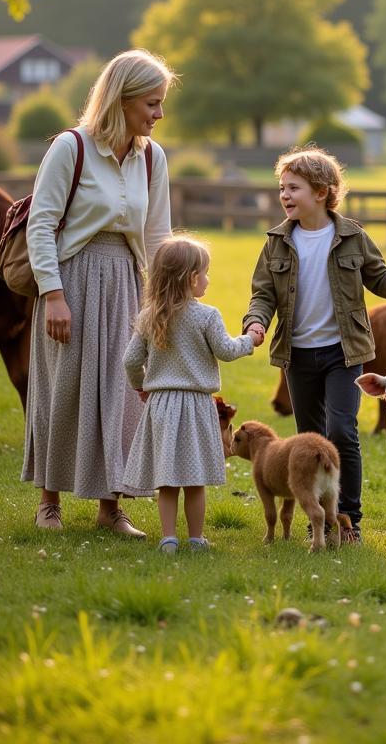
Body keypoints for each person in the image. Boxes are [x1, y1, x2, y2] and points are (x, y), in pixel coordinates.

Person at [21, 48, 176, 536]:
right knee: (62, 389)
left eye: (161, 102)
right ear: (122, 99)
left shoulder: (153, 158)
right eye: (151, 103)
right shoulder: (71, 147)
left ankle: (112, 508)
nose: (159, 114)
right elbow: (41, 226)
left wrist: (166, 301)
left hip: (128, 281)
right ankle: (49, 501)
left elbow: (157, 236)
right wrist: (53, 294)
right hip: (72, 279)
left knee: (121, 393)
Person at [243, 146, 386, 544]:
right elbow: (263, 294)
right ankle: (320, 524)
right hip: (297, 356)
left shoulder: (351, 236)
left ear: (323, 192)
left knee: (342, 431)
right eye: (282, 189)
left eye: (294, 188)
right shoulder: (276, 242)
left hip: (344, 353)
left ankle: (350, 521)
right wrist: (256, 321)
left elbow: (381, 279)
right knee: (308, 442)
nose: (285, 196)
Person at [122, 235, 260, 552]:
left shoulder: (149, 316)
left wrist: (141, 386)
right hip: (197, 405)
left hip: (162, 406)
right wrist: (250, 340)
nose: (208, 280)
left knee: (168, 479)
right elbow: (226, 350)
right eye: (205, 273)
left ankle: (169, 538)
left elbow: (130, 361)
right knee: (195, 479)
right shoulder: (206, 316)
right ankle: (196, 539)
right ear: (191, 278)